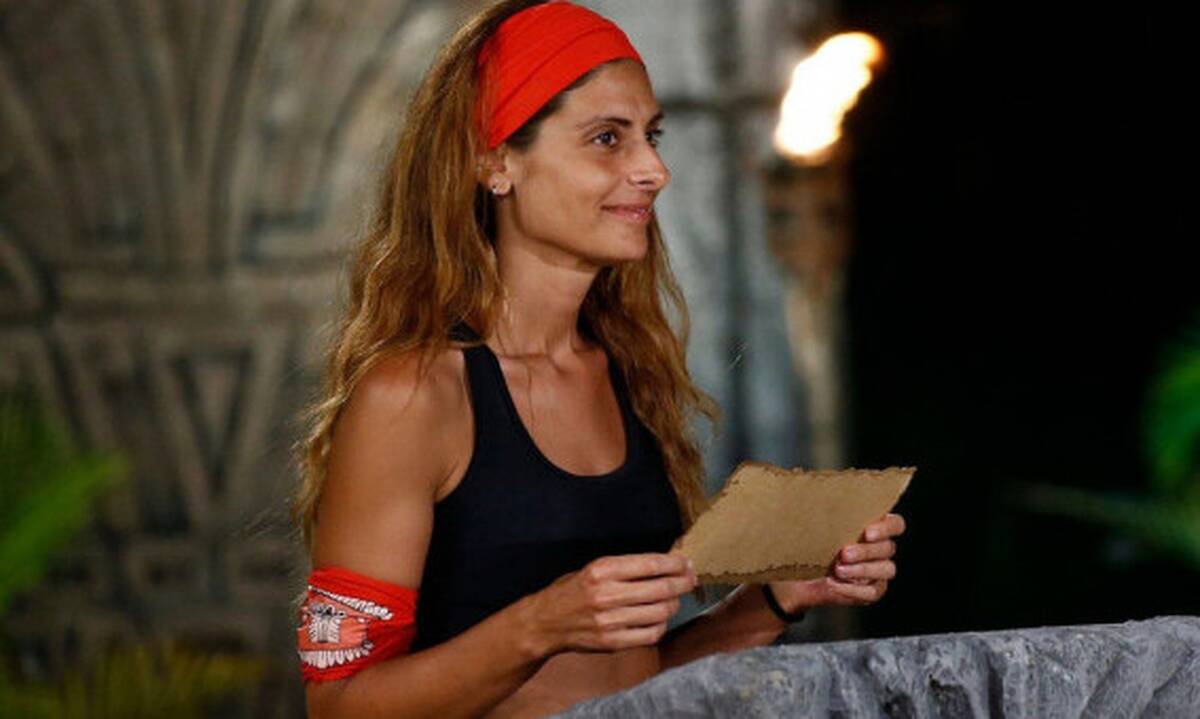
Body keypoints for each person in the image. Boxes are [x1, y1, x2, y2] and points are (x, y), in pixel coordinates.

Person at [289, 1, 906, 717]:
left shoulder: (626, 373)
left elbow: (627, 687)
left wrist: (769, 602)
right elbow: (338, 704)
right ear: (495, 161)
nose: (654, 169)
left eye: (652, 136)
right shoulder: (413, 394)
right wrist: (538, 624)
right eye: (607, 138)